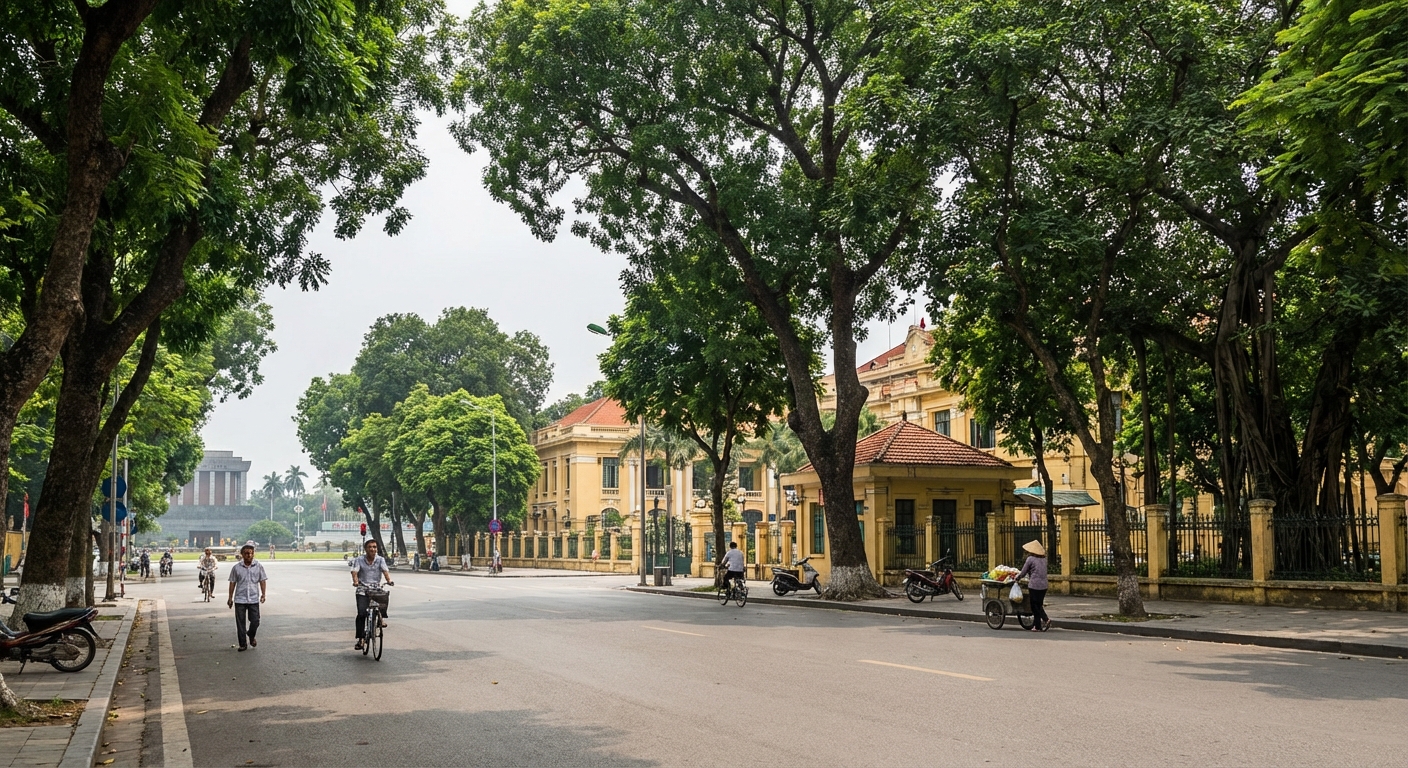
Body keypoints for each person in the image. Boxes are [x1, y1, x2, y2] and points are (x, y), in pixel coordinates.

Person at [350, 539, 393, 651]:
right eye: (370, 547)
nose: (372, 549)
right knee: (361, 614)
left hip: (375, 589)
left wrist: (389, 580)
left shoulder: (380, 560)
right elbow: (354, 571)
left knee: (384, 598)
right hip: (362, 590)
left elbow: (385, 571)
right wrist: (355, 581)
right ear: (366, 549)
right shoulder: (359, 560)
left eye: (374, 547)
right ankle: (361, 639)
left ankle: (380, 619)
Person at [227, 544, 267, 650]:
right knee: (240, 623)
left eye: (251, 553)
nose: (249, 555)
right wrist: (230, 598)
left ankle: (251, 634)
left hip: (253, 598)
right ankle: (243, 644)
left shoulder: (258, 566)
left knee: (255, 621)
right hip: (240, 599)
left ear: (253, 554)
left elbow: (262, 580)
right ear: (242, 554)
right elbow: (232, 582)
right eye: (246, 553)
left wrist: (263, 594)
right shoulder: (236, 568)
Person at [1016, 540, 1050, 632]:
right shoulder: (1044, 559)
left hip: (1034, 585)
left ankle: (1038, 625)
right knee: (1039, 605)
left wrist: (1017, 578)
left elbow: (1023, 571)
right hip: (1044, 585)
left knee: (1034, 606)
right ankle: (1045, 620)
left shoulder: (1030, 559)